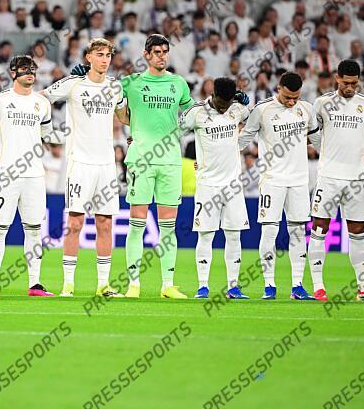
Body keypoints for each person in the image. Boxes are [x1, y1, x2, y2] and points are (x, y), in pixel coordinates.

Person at [114, 33, 194, 300]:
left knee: (168, 227)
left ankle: (168, 285)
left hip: (170, 160)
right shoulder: (131, 83)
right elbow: (117, 110)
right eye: (156, 52)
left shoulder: (178, 83)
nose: (161, 56)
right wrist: (132, 124)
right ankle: (133, 285)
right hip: (141, 160)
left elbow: (193, 115)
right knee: (136, 224)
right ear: (146, 55)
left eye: (164, 52)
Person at [45, 38, 126, 298]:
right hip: (79, 163)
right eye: (99, 54)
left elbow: (124, 117)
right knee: (75, 223)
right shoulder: (74, 83)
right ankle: (68, 285)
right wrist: (45, 131)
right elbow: (42, 98)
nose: (105, 59)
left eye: (108, 55)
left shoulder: (115, 87)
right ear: (88, 57)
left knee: (105, 224)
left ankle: (103, 285)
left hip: (107, 165)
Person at [0, 55, 61, 297]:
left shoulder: (42, 103)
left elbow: (48, 134)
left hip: (34, 175)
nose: (30, 72)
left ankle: (35, 284)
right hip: (6, 175)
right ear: (13, 72)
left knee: (34, 229)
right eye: (25, 68)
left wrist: (74, 135)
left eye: (33, 69)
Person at [307, 60, 364, 303]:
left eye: (354, 83)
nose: (350, 87)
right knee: (319, 229)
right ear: (337, 78)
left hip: (356, 179)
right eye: (346, 83)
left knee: (358, 232)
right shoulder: (322, 104)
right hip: (328, 177)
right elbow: (310, 134)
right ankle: (318, 287)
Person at [238, 71, 318, 301]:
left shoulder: (307, 109)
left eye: (296, 98)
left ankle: (297, 285)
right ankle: (269, 285)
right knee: (270, 231)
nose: (292, 102)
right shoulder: (262, 110)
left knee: (298, 232)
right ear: (279, 88)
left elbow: (318, 140)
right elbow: (242, 140)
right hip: (272, 180)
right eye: (287, 97)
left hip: (299, 181)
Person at [179, 78, 251, 299]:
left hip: (233, 185)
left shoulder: (236, 109)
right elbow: (174, 132)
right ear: (213, 94)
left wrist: (245, 101)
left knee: (234, 235)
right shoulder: (196, 113)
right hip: (207, 185)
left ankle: (233, 286)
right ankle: (203, 286)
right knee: (206, 235)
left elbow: (252, 116)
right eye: (221, 103)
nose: (224, 108)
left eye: (228, 104)